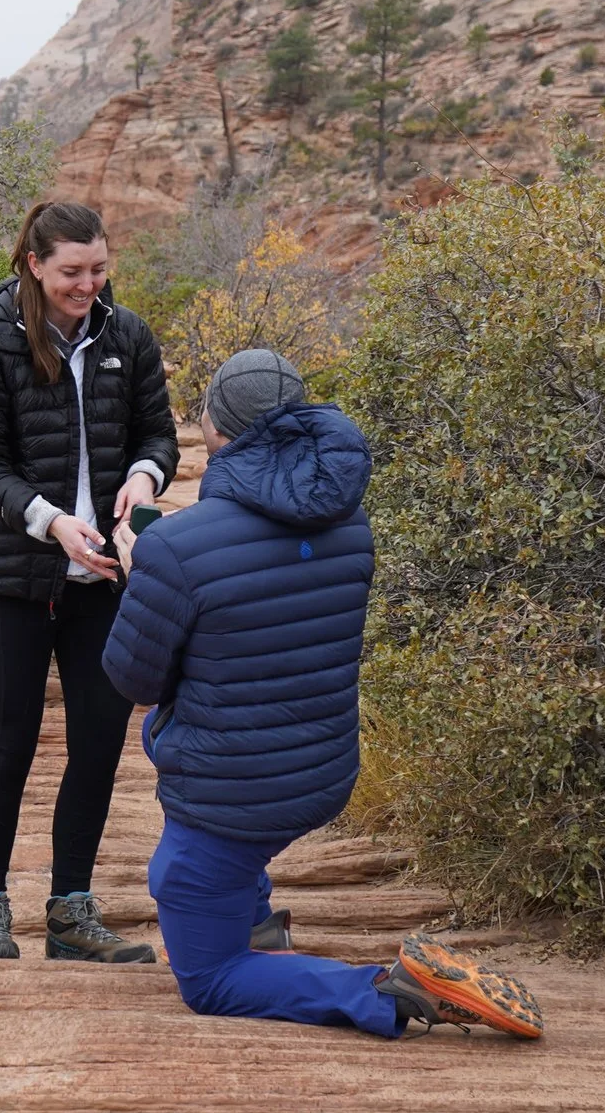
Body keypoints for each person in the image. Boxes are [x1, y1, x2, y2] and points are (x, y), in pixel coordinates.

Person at [102, 349, 544, 1040]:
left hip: (232, 796)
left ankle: (389, 988)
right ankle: (256, 922)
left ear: (216, 427)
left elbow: (135, 679)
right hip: (320, 773)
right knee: (233, 833)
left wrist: (142, 572)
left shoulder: (178, 549)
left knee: (209, 972)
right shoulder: (350, 525)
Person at [0, 200, 179, 962]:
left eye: (99, 270)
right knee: (8, 745)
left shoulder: (128, 336)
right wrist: (51, 520)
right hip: (12, 575)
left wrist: (143, 480)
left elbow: (157, 434)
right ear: (34, 265)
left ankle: (71, 911)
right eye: (72, 272)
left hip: (104, 579)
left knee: (100, 742)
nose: (88, 286)